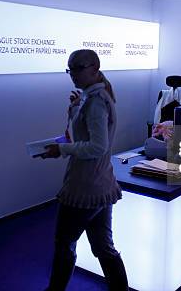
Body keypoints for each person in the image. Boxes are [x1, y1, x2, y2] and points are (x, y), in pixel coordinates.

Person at [41, 49, 128, 291]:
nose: (73, 74)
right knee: (103, 247)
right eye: (70, 69)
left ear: (95, 68)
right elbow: (87, 136)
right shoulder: (95, 96)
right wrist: (75, 109)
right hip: (100, 184)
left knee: (64, 244)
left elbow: (97, 146)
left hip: (85, 186)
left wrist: (63, 150)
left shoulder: (96, 101)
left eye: (79, 68)